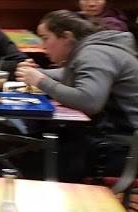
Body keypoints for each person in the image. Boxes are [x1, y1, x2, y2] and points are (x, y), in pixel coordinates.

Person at [17, 10, 138, 181]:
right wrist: (36, 73)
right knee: (41, 140)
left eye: (45, 38)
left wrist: (41, 80)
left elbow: (89, 101)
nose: (43, 46)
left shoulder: (95, 53)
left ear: (67, 37)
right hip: (116, 138)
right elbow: (69, 74)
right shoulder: (93, 49)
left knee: (39, 152)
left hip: (123, 146)